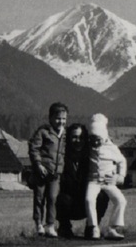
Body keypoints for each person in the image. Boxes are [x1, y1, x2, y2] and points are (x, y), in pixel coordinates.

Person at [56, 123, 109, 239]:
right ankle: (65, 228)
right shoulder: (61, 158)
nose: (78, 141)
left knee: (103, 196)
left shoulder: (92, 158)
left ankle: (91, 227)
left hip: (87, 203)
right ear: (68, 139)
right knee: (60, 198)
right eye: (74, 137)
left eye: (81, 137)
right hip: (69, 203)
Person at [84, 113, 128, 240]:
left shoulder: (111, 148)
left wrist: (120, 176)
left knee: (121, 200)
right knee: (89, 200)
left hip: (109, 182)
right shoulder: (88, 148)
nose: (96, 142)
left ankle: (112, 228)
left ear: (104, 136)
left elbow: (122, 161)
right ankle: (94, 227)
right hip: (93, 181)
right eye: (93, 138)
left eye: (98, 138)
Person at [27, 102, 68, 238]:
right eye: (57, 118)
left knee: (53, 198)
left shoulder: (65, 134)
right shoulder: (43, 132)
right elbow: (34, 149)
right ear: (50, 118)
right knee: (39, 198)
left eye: (63, 118)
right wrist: (38, 164)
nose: (60, 121)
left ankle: (50, 225)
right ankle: (38, 224)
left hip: (56, 174)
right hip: (42, 172)